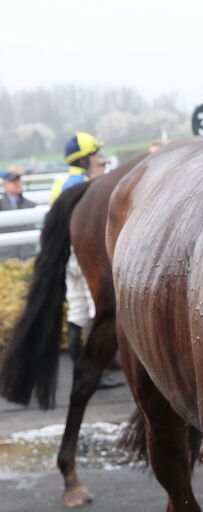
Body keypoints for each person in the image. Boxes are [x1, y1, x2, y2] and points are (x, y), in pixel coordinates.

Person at [50, 133, 122, 390]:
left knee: (78, 312)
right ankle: (94, 372)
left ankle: (79, 370)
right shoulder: (89, 185)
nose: (97, 158)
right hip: (85, 255)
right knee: (96, 313)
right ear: (85, 159)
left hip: (68, 256)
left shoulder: (60, 183)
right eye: (94, 154)